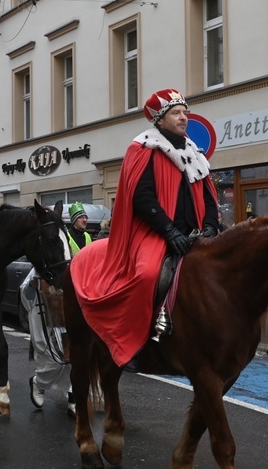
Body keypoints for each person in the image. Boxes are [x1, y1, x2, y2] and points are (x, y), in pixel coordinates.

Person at [69, 89, 219, 369]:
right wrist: (169, 232)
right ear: (160, 119)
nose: (184, 117)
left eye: (185, 112)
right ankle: (136, 341)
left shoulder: (193, 152)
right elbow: (142, 197)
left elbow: (209, 196)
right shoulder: (143, 149)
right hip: (156, 233)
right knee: (146, 274)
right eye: (176, 113)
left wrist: (210, 226)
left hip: (196, 234)